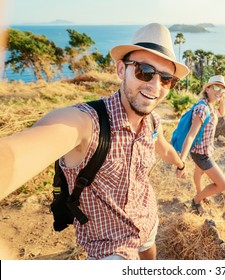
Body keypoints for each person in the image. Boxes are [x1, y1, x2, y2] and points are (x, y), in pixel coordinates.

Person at [0, 23, 189, 260]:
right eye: (145, 71)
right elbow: (19, 153)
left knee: (150, 253)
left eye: (166, 79)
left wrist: (181, 165)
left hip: (147, 219)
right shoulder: (86, 123)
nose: (155, 86)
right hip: (110, 247)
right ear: (121, 69)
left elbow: (162, 146)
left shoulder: (152, 122)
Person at [179, 75, 225, 215]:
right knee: (222, 184)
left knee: (198, 173)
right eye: (215, 87)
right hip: (202, 154)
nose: (219, 91)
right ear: (207, 88)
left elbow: (220, 114)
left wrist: (222, 100)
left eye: (222, 89)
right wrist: (181, 162)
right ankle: (196, 201)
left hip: (202, 150)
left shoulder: (210, 105)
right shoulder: (203, 109)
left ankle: (200, 193)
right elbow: (191, 135)